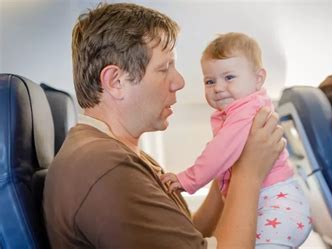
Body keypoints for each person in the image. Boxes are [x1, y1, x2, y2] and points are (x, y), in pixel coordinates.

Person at [43, 3, 286, 249]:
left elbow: (185, 237)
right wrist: (248, 175)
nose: (179, 81)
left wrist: (227, 169)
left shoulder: (120, 153)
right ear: (116, 81)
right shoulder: (106, 167)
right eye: (164, 68)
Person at [160, 32, 312, 248]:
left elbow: (219, 151)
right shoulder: (238, 110)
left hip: (276, 202)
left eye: (229, 77)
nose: (218, 87)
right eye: (210, 81)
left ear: (258, 79)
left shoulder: (246, 110)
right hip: (270, 201)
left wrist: (188, 178)